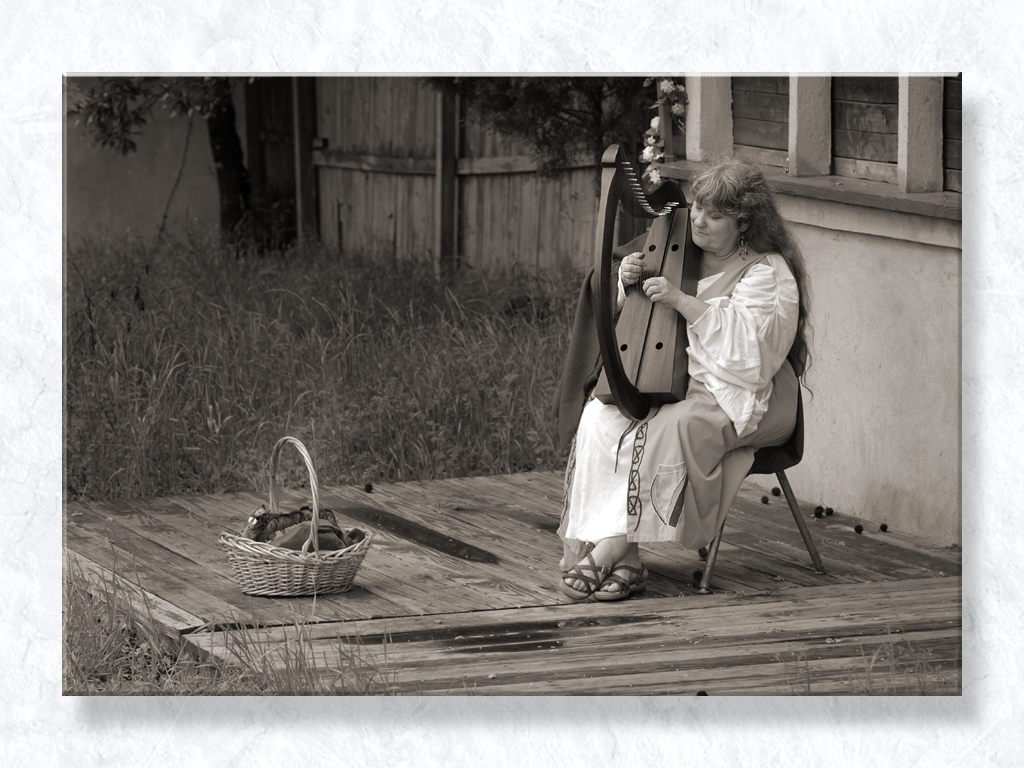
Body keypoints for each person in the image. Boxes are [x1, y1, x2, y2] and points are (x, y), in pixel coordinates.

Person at [554, 159, 811, 602]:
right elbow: (624, 303)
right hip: (673, 378)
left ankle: (612, 546)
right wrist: (625, 279)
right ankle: (630, 559)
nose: (698, 220)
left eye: (715, 215)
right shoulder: (680, 243)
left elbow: (750, 358)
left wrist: (682, 302)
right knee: (601, 416)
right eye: (697, 208)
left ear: (744, 222)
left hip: (741, 392)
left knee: (670, 426)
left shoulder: (768, 273)